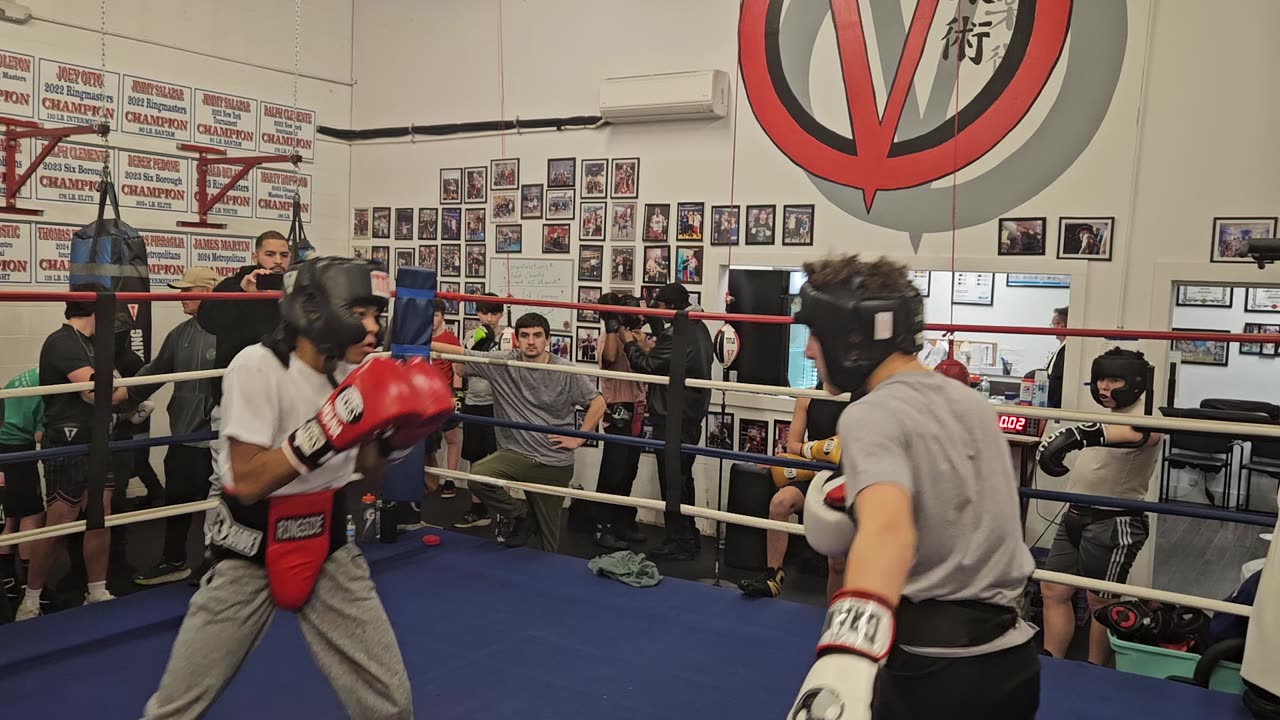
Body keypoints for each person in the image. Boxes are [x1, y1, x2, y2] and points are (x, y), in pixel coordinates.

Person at [142, 256, 453, 719]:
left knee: (389, 704)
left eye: (377, 315)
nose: (373, 329)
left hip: (328, 543)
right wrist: (324, 430)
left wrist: (398, 441)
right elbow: (246, 482)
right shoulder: (257, 366)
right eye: (361, 313)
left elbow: (363, 471)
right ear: (313, 310)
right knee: (176, 706)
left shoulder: (354, 372)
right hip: (249, 548)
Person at [788, 254, 1039, 720]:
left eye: (814, 336)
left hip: (935, 666)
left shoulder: (871, 414)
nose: (808, 352)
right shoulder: (972, 404)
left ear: (851, 341)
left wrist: (848, 655)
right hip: (1014, 657)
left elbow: (889, 532)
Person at [431, 312, 606, 553]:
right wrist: (413, 340)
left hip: (554, 460)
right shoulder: (505, 363)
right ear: (517, 339)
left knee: (548, 540)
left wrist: (580, 436)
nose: (531, 341)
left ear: (547, 339)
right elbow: (459, 358)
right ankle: (522, 516)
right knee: (479, 476)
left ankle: (544, 580)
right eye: (525, 336)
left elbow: (598, 402)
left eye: (537, 336)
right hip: (516, 454)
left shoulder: (564, 369)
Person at [1036, 347, 1163, 666]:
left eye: (1114, 380)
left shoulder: (1147, 419)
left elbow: (1140, 436)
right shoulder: (1106, 415)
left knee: (1100, 602)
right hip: (1075, 516)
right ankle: (1054, 663)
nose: (1104, 387)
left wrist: (1074, 435)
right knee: (1053, 589)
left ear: (1135, 382)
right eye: (1101, 380)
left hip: (1114, 521)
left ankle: (1094, 670)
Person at [15, 289, 134, 621]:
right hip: (68, 441)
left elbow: (109, 391)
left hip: (98, 440)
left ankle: (96, 590)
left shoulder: (94, 346)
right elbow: (100, 393)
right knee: (60, 521)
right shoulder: (63, 342)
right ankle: (31, 600)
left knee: (100, 514)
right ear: (95, 312)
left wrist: (113, 391)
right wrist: (120, 390)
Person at [129, 267, 220, 586]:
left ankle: (217, 564)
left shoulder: (228, 333)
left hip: (214, 439)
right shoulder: (180, 333)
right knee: (176, 502)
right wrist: (122, 395)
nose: (181, 297)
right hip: (182, 436)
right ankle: (174, 560)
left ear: (207, 293)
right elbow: (156, 371)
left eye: (187, 291)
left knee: (217, 508)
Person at [617, 282, 713, 561]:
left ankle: (680, 540)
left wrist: (628, 341)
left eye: (657, 306)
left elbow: (648, 365)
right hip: (689, 414)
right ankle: (687, 534)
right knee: (682, 477)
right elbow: (674, 354)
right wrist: (657, 324)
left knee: (673, 478)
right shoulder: (698, 326)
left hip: (674, 417)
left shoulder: (678, 335)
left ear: (669, 307)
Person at [738, 385, 851, 600]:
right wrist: (816, 450)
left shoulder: (854, 395)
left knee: (838, 561)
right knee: (780, 503)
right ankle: (773, 576)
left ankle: (838, 607)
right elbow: (792, 445)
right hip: (814, 474)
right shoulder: (807, 397)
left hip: (844, 478)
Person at [590, 292, 647, 551]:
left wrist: (640, 333)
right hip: (618, 408)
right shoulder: (607, 338)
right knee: (613, 470)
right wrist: (612, 326)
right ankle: (603, 527)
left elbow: (651, 361)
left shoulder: (638, 337)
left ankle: (622, 522)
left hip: (637, 407)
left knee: (628, 471)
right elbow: (610, 359)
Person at [452, 293, 509, 529]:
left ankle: (507, 514)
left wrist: (490, 353)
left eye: (493, 313)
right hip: (475, 404)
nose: (489, 318)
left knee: (503, 460)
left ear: (501, 314)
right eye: (484, 312)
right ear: (478, 313)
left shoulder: (509, 336)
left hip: (501, 407)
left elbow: (511, 371)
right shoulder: (470, 336)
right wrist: (470, 348)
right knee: (476, 459)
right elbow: (459, 370)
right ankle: (479, 509)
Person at [0, 367, 45, 612]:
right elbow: (39, 434)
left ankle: (6, 579)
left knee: (9, 513)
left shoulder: (33, 373)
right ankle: (30, 582)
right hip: (15, 447)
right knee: (31, 513)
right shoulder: (51, 386)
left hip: (3, 443)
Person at [424, 299, 463, 500]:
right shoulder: (418, 338)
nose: (432, 319)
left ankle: (450, 480)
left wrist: (457, 396)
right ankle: (425, 479)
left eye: (436, 315)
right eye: (429, 315)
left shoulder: (450, 340)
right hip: (422, 396)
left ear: (443, 317)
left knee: (451, 438)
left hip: (445, 395)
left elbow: (458, 371)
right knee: (421, 440)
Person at [1047, 306, 1068, 408]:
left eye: (1053, 325)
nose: (1052, 328)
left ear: (1062, 325)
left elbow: (1057, 377)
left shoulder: (1066, 349)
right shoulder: (1062, 347)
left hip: (1056, 402)